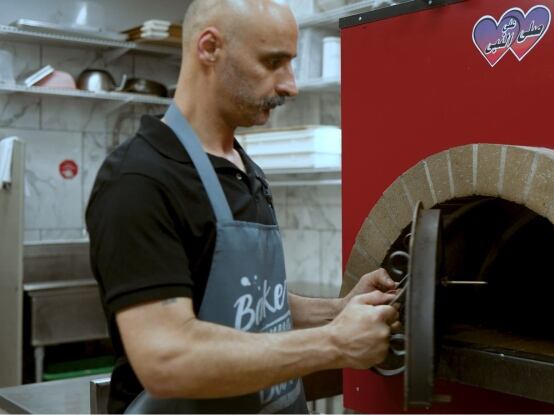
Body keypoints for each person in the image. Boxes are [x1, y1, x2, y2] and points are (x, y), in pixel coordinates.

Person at [85, 0, 399, 413]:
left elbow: (252, 301)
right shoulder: (140, 179)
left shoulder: (243, 167)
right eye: (273, 62)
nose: (290, 85)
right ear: (210, 48)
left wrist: (336, 310)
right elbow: (167, 360)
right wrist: (334, 342)